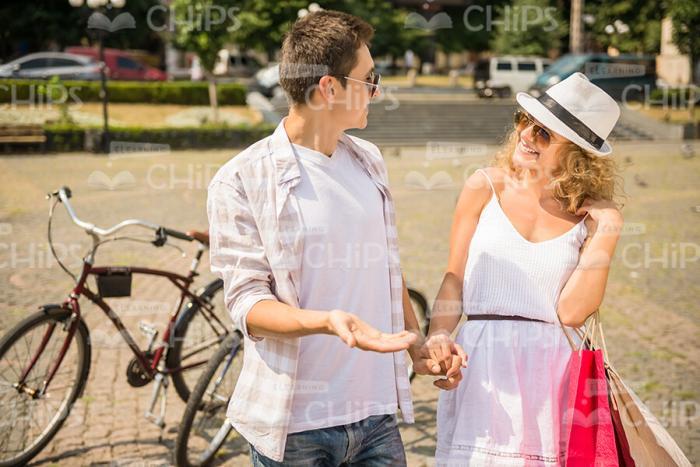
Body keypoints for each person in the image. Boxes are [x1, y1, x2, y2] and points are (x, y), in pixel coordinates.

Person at [207, 10, 465, 466]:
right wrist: (327, 321)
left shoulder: (368, 160)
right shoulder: (240, 180)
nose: (377, 91)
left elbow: (386, 266)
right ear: (329, 88)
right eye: (369, 78)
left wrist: (416, 342)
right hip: (296, 428)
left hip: (377, 418)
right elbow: (248, 306)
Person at [425, 72, 624, 465]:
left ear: (577, 155)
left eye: (544, 134)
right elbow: (453, 281)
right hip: (483, 365)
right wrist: (439, 338)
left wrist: (609, 230)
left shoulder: (587, 217)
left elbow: (571, 313)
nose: (527, 135)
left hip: (552, 378)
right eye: (525, 121)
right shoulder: (484, 186)